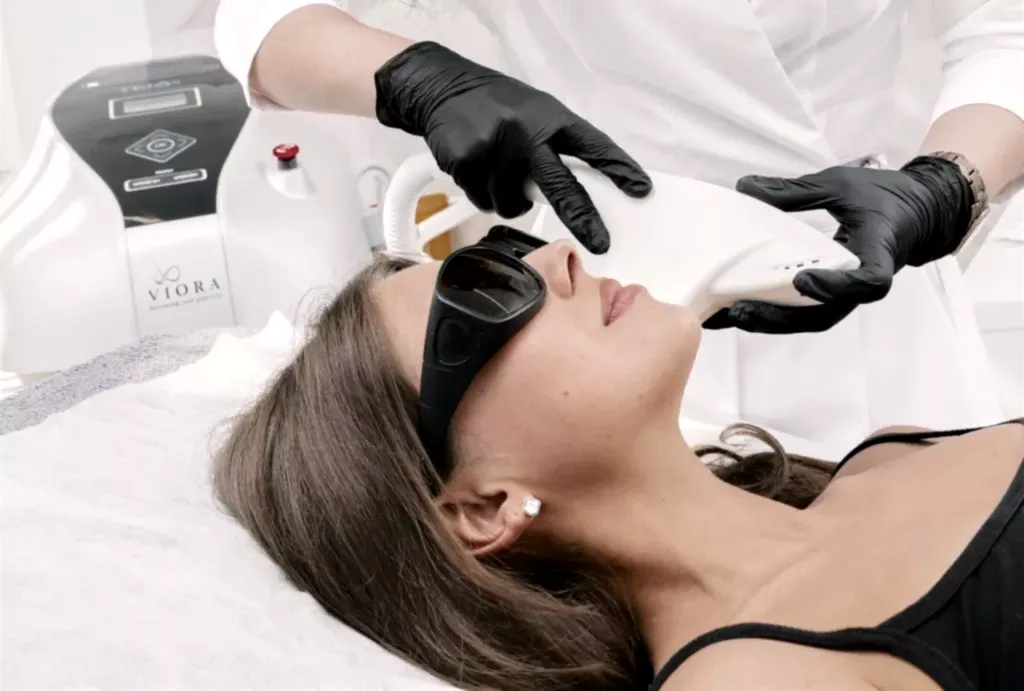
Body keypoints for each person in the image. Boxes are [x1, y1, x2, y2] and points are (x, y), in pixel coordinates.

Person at [214, 229, 1024, 690]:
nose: (559, 254)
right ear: (483, 506)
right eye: (488, 294)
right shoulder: (749, 679)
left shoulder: (887, 458)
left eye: (509, 249)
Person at [213, 1, 1024, 459]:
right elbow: (260, 17)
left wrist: (950, 181)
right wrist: (415, 80)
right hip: (618, 279)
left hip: (868, 258)